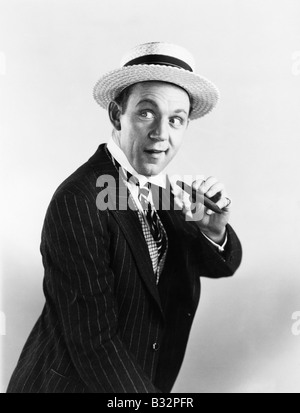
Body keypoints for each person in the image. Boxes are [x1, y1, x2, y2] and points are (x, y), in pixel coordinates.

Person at [7, 42, 242, 393]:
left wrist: (214, 231)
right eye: (147, 113)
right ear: (117, 115)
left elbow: (221, 266)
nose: (162, 133)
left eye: (176, 119)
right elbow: (94, 342)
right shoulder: (79, 199)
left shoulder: (167, 193)